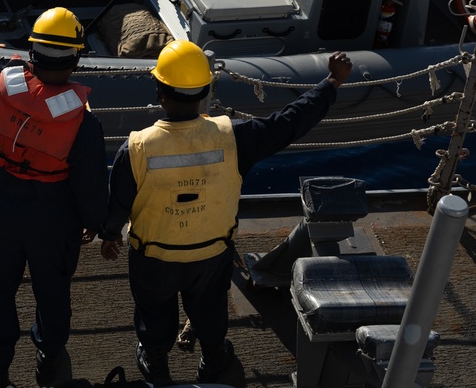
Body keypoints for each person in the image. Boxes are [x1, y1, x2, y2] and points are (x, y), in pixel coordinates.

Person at [99, 40, 352, 386]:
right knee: (209, 307)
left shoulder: (137, 148)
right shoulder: (233, 138)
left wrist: (110, 234)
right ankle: (214, 356)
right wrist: (331, 83)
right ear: (205, 91)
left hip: (154, 257)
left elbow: (118, 203)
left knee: (154, 311)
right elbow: (289, 123)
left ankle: (156, 362)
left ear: (160, 93)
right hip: (211, 254)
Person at [0, 7, 108, 388]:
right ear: (75, 59)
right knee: (53, 292)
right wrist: (95, 224)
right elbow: (90, 188)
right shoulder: (84, 124)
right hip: (54, 220)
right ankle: (49, 357)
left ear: (32, 52)